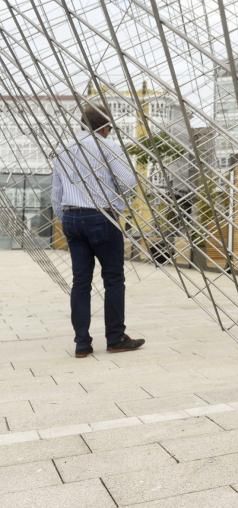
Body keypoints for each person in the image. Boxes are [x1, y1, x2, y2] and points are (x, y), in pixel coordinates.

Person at [51, 103, 144, 358]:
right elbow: (127, 181)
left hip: (72, 217)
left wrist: (65, 217)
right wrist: (118, 204)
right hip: (102, 216)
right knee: (113, 279)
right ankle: (115, 338)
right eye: (110, 128)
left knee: (81, 282)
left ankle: (82, 343)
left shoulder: (63, 150)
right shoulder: (108, 148)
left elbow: (56, 192)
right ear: (104, 127)